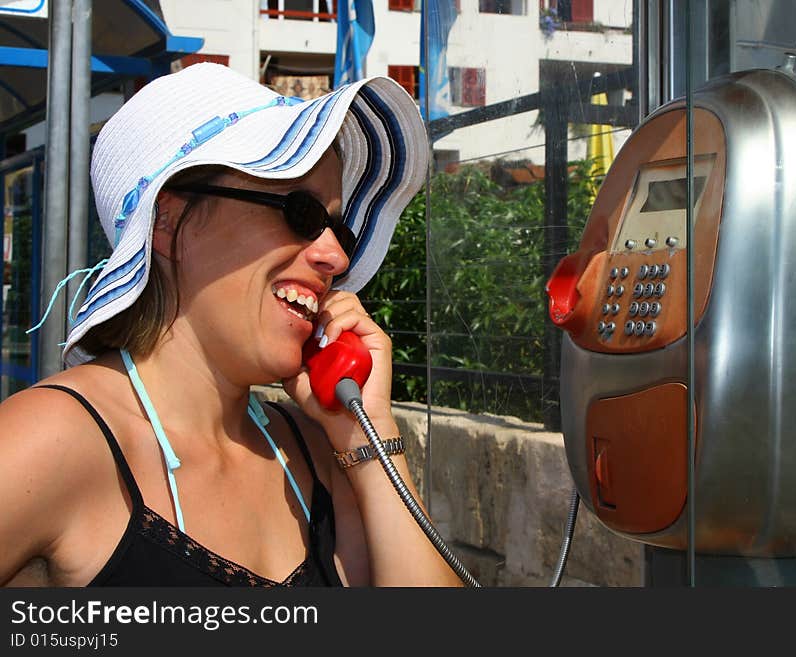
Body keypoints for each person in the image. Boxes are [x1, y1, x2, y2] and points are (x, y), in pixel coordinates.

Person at [0, 63, 461, 587]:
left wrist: (370, 437)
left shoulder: (314, 450)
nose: (334, 256)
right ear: (169, 221)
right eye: (302, 212)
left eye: (341, 231)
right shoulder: (54, 440)